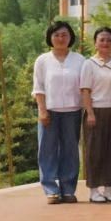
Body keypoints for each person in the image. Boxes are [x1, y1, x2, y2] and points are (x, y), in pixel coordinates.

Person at [32, 21, 86, 204]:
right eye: (56, 35)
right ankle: (51, 190)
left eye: (64, 35)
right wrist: (42, 110)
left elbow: (85, 87)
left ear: (70, 37)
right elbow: (38, 87)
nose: (60, 38)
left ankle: (68, 188)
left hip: (73, 110)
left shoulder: (80, 60)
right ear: (50, 38)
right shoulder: (42, 60)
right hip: (49, 111)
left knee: (70, 150)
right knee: (47, 150)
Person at [80, 27, 111, 203]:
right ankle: (94, 190)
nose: (105, 43)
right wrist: (90, 113)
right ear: (95, 43)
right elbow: (85, 90)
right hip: (95, 111)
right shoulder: (89, 64)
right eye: (102, 40)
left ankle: (109, 189)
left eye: (109, 40)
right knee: (94, 152)